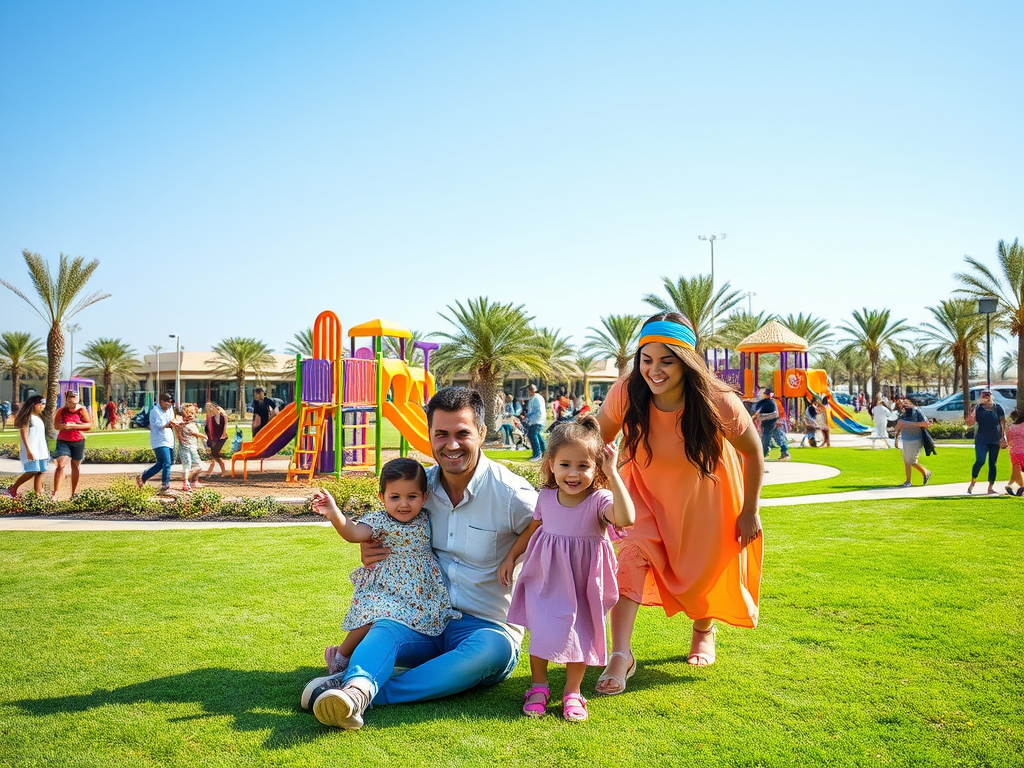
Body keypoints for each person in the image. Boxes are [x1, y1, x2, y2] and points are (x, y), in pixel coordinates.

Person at [301, 386, 537, 731]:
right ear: (430, 435)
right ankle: (355, 689)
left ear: (482, 433)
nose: (451, 445)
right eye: (441, 434)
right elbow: (379, 525)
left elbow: (549, 526)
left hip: (487, 626)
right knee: (384, 626)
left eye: (462, 433)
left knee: (490, 653)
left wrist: (516, 554)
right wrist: (370, 546)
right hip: (423, 619)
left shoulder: (511, 494)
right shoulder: (417, 487)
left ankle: (359, 693)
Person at [592, 312, 764, 695]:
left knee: (703, 573)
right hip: (644, 498)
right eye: (646, 358)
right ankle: (620, 654)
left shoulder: (718, 400)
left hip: (708, 500)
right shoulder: (625, 392)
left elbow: (753, 451)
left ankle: (703, 629)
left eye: (666, 360)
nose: (654, 370)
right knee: (628, 559)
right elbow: (596, 440)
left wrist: (749, 510)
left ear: (686, 361)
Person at [503, 416, 636, 722]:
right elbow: (532, 530)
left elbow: (626, 518)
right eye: (565, 465)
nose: (573, 474)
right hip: (545, 578)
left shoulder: (600, 500)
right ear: (550, 464)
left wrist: (613, 473)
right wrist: (512, 557)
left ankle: (573, 691)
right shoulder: (546, 496)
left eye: (583, 466)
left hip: (583, 582)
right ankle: (538, 686)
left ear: (596, 468)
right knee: (542, 631)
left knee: (579, 634)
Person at [313, 458, 460, 678]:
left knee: (425, 623)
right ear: (382, 497)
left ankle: (395, 658)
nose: (404, 504)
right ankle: (340, 656)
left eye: (412, 497)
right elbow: (353, 533)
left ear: (424, 497)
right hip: (387, 587)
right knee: (374, 615)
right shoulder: (379, 521)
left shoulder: (426, 517)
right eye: (395, 497)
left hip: (421, 590)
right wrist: (334, 513)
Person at [51, 389, 92, 500]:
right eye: (70, 400)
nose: (72, 403)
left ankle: (73, 493)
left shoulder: (82, 410)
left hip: (78, 441)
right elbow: (56, 425)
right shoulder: (61, 411)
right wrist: (64, 426)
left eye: (74, 400)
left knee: (75, 466)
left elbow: (88, 425)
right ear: (67, 399)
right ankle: (55, 493)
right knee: (61, 465)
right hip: (63, 441)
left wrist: (74, 426)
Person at [6, 395, 49, 497]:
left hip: (41, 450)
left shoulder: (38, 418)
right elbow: (23, 434)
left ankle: (38, 495)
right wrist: (28, 450)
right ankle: (13, 487)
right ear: (36, 405)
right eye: (42, 404)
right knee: (32, 471)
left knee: (41, 471)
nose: (43, 407)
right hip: (32, 449)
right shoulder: (28, 418)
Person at [966, 389, 1007, 495]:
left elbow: (1003, 423)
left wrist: (1003, 437)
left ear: (991, 397)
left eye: (988, 396)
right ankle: (973, 482)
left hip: (995, 439)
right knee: (980, 461)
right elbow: (970, 422)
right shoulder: (978, 408)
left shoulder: (998, 408)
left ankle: (990, 487)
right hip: (981, 440)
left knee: (993, 463)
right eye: (984, 396)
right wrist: (974, 410)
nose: (986, 398)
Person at [137, 393, 176, 492]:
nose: (169, 406)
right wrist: (173, 423)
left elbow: (172, 420)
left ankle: (143, 477)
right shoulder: (155, 411)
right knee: (166, 463)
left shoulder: (170, 410)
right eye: (167, 404)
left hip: (169, 439)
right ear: (162, 402)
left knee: (164, 463)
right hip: (159, 440)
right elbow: (161, 425)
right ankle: (165, 485)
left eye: (170, 404)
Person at [894, 398, 933, 488]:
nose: (902, 405)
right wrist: (897, 437)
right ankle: (908, 481)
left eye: (904, 403)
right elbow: (899, 426)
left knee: (911, 461)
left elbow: (925, 424)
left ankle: (925, 472)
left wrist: (907, 424)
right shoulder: (903, 413)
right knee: (906, 461)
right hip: (905, 438)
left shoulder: (917, 412)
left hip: (915, 439)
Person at [172, 403, 204, 491]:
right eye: (193, 413)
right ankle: (189, 479)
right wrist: (206, 437)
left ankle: (186, 483)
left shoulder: (181, 424)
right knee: (198, 466)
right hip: (190, 448)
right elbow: (195, 433)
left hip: (184, 448)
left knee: (187, 465)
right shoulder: (189, 425)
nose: (195, 415)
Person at [752, 387, 790, 461]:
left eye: (761, 392)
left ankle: (762, 456)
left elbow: (774, 414)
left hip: (770, 424)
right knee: (777, 437)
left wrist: (759, 417)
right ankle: (784, 452)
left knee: (767, 440)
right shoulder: (765, 402)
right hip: (770, 424)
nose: (759, 394)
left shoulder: (769, 403)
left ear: (766, 395)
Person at [204, 401, 229, 476]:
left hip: (220, 437)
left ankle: (222, 470)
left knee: (215, 454)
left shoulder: (219, 415)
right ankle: (210, 470)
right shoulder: (209, 416)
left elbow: (224, 424)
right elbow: (207, 427)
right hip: (212, 437)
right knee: (213, 455)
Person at [1004, 410, 1024, 496]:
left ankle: (1010, 485)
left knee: (1015, 470)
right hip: (1023, 451)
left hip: (1013, 452)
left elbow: (1008, 441)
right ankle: (1020, 486)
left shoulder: (1011, 427)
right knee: (1017, 471)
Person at [525, 384, 547, 461]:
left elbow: (537, 410)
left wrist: (528, 415)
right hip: (537, 420)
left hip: (537, 420)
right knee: (538, 436)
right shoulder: (536, 398)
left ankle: (537, 455)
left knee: (533, 436)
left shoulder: (536, 398)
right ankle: (545, 453)